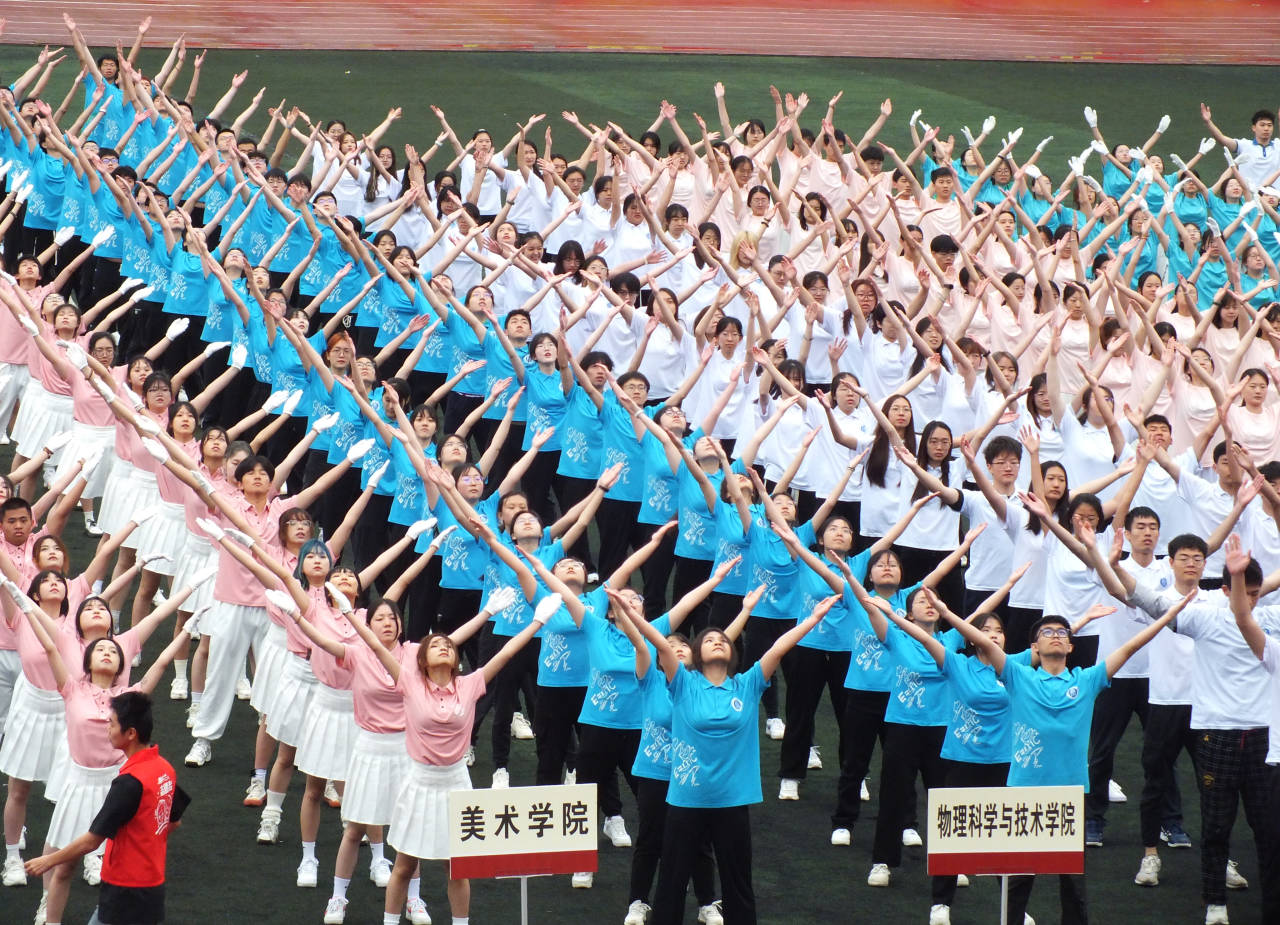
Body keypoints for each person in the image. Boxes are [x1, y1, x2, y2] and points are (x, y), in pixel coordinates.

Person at [24, 691, 190, 925]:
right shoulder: (165, 769)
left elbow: (92, 842)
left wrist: (48, 860)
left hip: (124, 887)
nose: (108, 730)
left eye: (112, 724)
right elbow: (174, 821)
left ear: (130, 733)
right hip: (152, 884)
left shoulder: (129, 783)